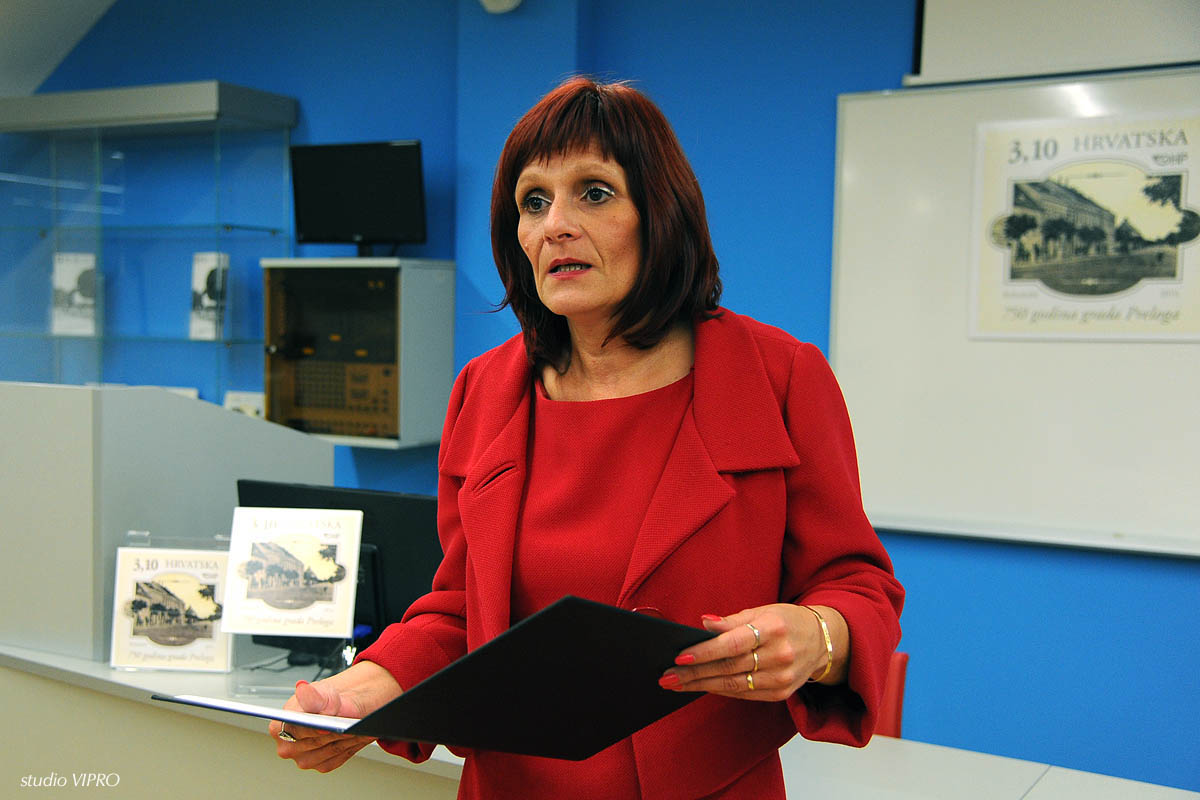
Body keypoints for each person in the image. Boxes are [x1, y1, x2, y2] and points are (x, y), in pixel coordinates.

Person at [270, 76, 904, 800]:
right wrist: (363, 690)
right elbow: (460, 613)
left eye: (594, 193)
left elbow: (860, 586)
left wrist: (820, 636)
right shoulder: (484, 390)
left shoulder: (778, 377)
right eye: (533, 202)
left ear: (660, 212)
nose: (556, 226)